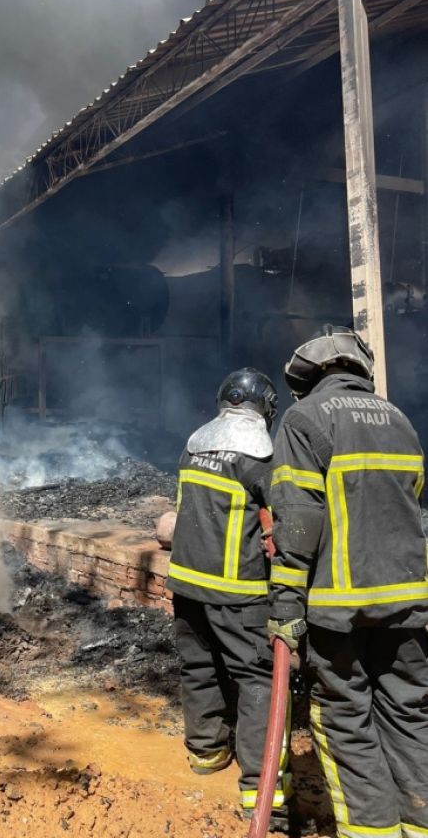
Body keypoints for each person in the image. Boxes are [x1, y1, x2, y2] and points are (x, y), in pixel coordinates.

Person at [268, 325, 428, 838]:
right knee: (409, 717)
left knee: (345, 720)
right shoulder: (400, 419)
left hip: (340, 607)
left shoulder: (304, 417)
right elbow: (411, 500)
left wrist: (286, 605)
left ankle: (372, 830)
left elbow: (297, 519)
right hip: (409, 601)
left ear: (309, 377)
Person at [167, 367, 291, 826]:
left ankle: (206, 752)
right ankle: (263, 793)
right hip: (237, 591)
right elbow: (286, 516)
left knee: (199, 666)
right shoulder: (260, 453)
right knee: (257, 679)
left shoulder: (194, 445)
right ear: (265, 407)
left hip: (186, 582)